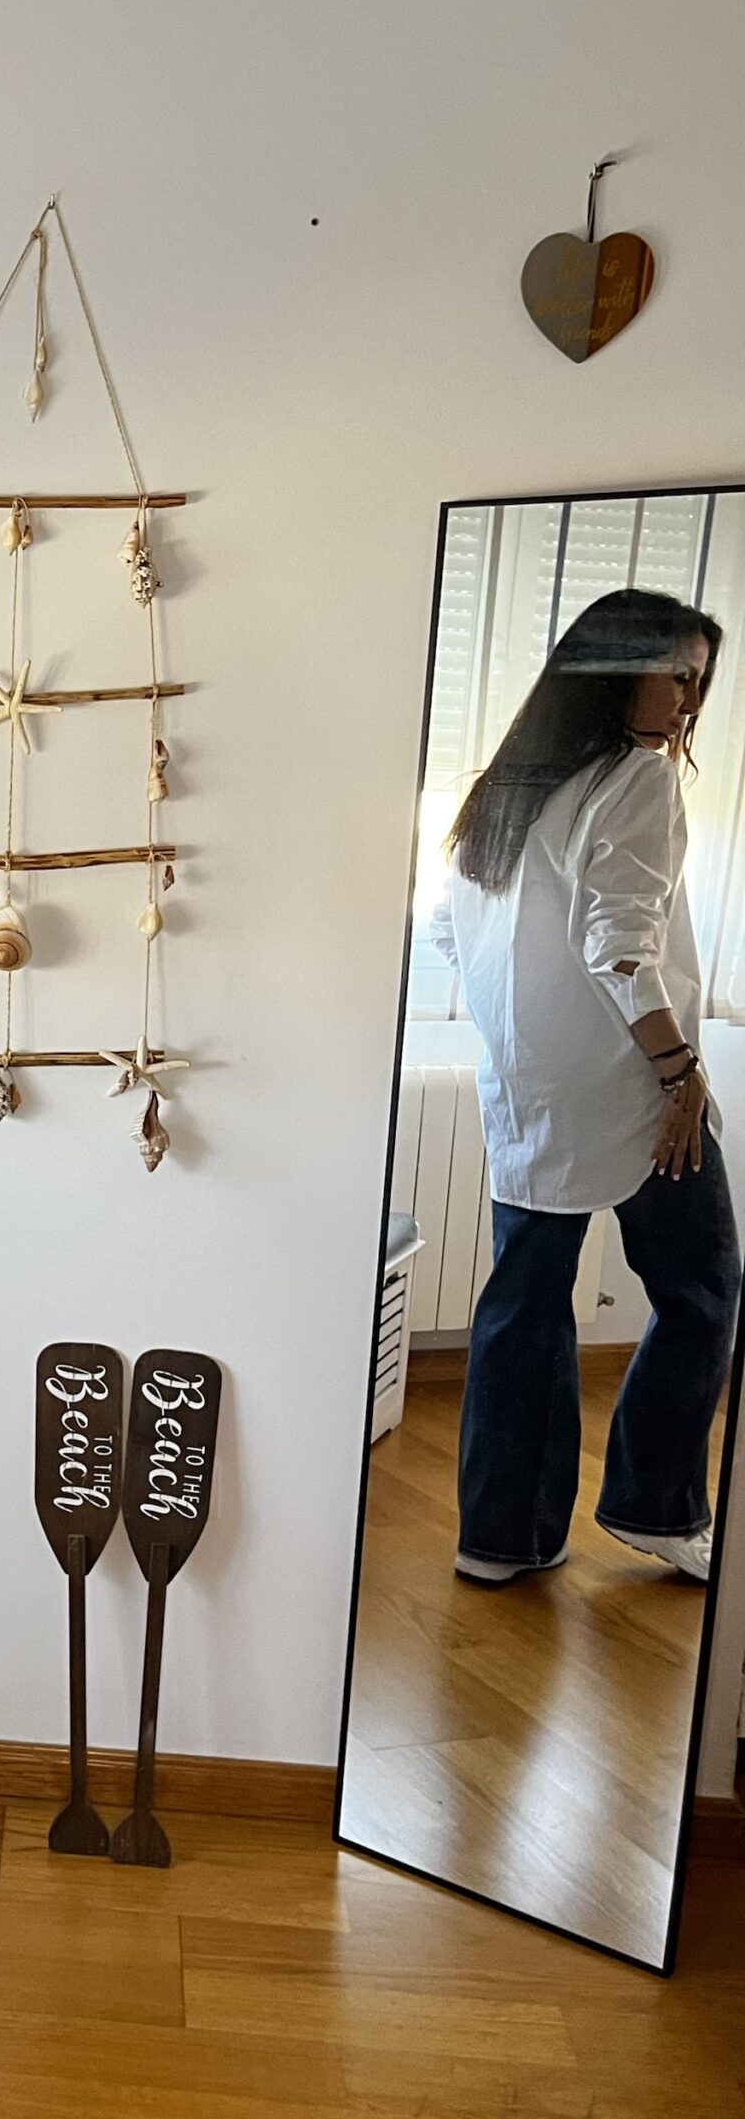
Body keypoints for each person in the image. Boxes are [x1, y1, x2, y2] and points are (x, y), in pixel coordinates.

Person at [429, 587, 739, 1588]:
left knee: (524, 1302)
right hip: (635, 1090)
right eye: (673, 671)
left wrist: (526, 1030)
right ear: (612, 668)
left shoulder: (505, 789)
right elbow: (621, 949)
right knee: (703, 1286)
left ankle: (502, 1537)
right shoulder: (636, 780)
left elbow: (448, 934)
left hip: (528, 1086)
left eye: (699, 678)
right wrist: (680, 1074)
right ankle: (655, 1506)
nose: (687, 698)